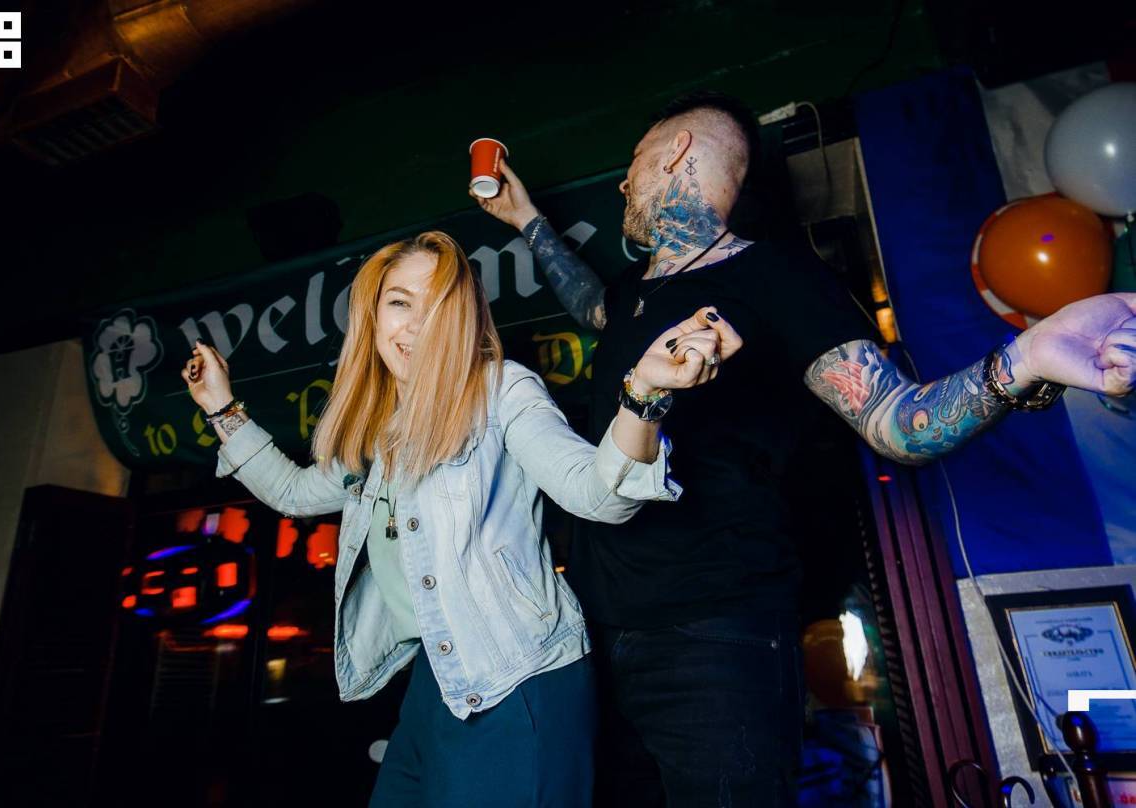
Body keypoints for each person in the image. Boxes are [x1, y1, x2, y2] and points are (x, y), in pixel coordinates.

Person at [474, 91, 1136, 806]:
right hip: (598, 634)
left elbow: (897, 421)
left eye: (634, 161)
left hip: (714, 637)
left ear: (676, 151)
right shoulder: (636, 289)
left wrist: (1023, 360)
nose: (623, 183)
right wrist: (526, 218)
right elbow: (592, 305)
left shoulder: (778, 277)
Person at [181, 230, 742, 807]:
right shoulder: (379, 429)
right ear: (372, 315)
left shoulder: (502, 390)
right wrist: (221, 408)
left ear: (462, 320)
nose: (415, 326)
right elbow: (294, 492)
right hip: (438, 676)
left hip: (520, 675)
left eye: (438, 306)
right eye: (400, 302)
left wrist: (642, 396)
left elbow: (598, 495)